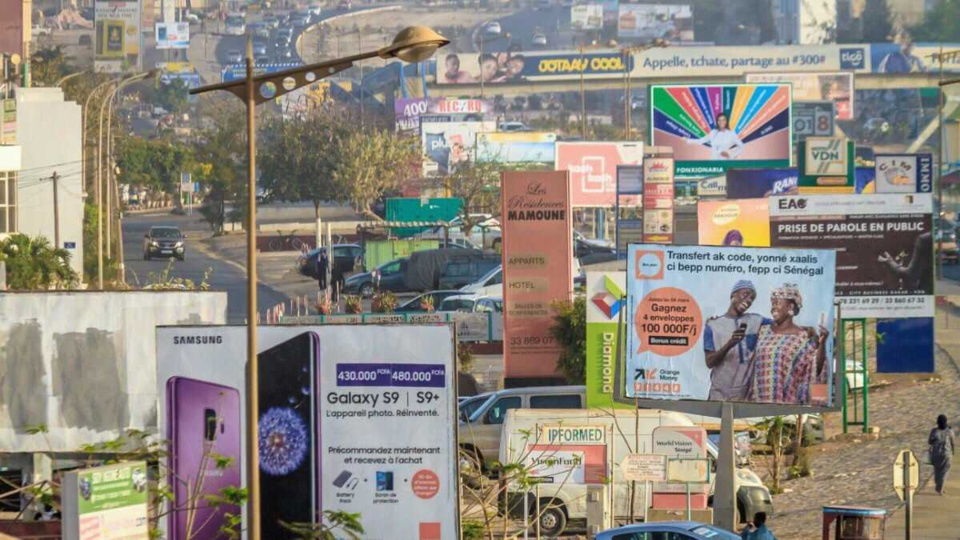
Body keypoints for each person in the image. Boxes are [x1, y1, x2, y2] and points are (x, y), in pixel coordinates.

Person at [750, 284, 829, 404]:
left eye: (778, 303)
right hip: (756, 402)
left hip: (787, 404)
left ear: (790, 307)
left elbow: (814, 369)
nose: (774, 307)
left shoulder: (803, 337)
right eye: (773, 304)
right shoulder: (762, 331)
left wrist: (822, 344)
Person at [703, 280, 768, 401]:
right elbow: (709, 362)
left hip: (744, 397)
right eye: (745, 294)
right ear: (733, 295)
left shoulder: (756, 320)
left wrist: (806, 328)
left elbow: (782, 325)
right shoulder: (713, 325)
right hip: (719, 394)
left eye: (752, 299)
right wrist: (730, 344)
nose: (748, 300)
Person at [929, 414, 955, 495]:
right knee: (945, 471)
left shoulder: (934, 431)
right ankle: (940, 488)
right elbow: (952, 442)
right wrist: (953, 452)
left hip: (936, 454)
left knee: (937, 471)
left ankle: (938, 486)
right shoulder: (949, 431)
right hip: (947, 454)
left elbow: (929, 441)